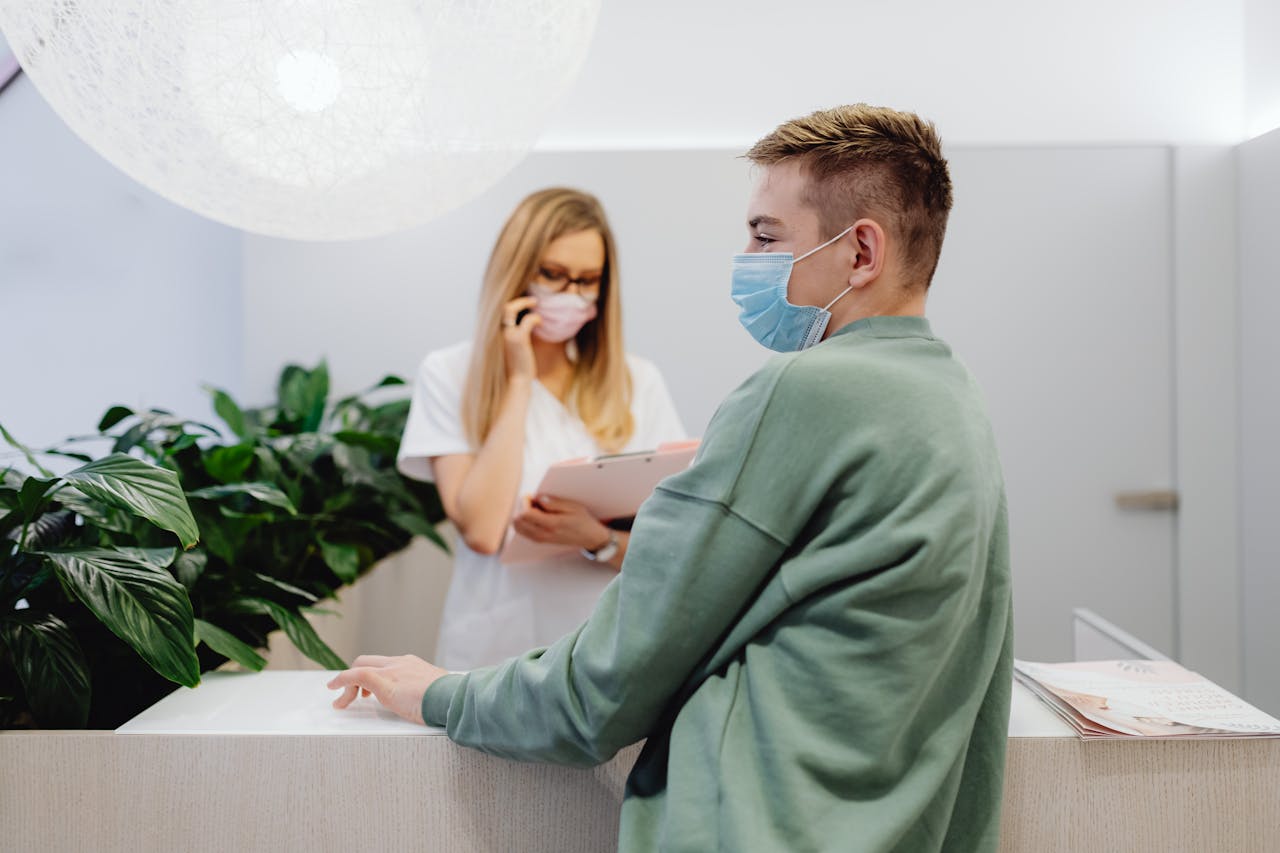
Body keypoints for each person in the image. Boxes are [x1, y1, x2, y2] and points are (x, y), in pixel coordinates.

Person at [333, 105, 1014, 853]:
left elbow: (601, 691)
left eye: (764, 235)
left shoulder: (799, 391)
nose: (747, 257)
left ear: (860, 252)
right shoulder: (955, 399)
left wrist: (434, 692)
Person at [395, 187, 686, 671]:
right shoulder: (448, 374)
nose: (570, 295)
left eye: (587, 280)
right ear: (516, 271)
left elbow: (672, 545)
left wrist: (595, 538)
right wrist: (519, 380)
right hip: (496, 651)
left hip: (608, 648)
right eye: (552, 275)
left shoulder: (638, 381)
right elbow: (484, 531)